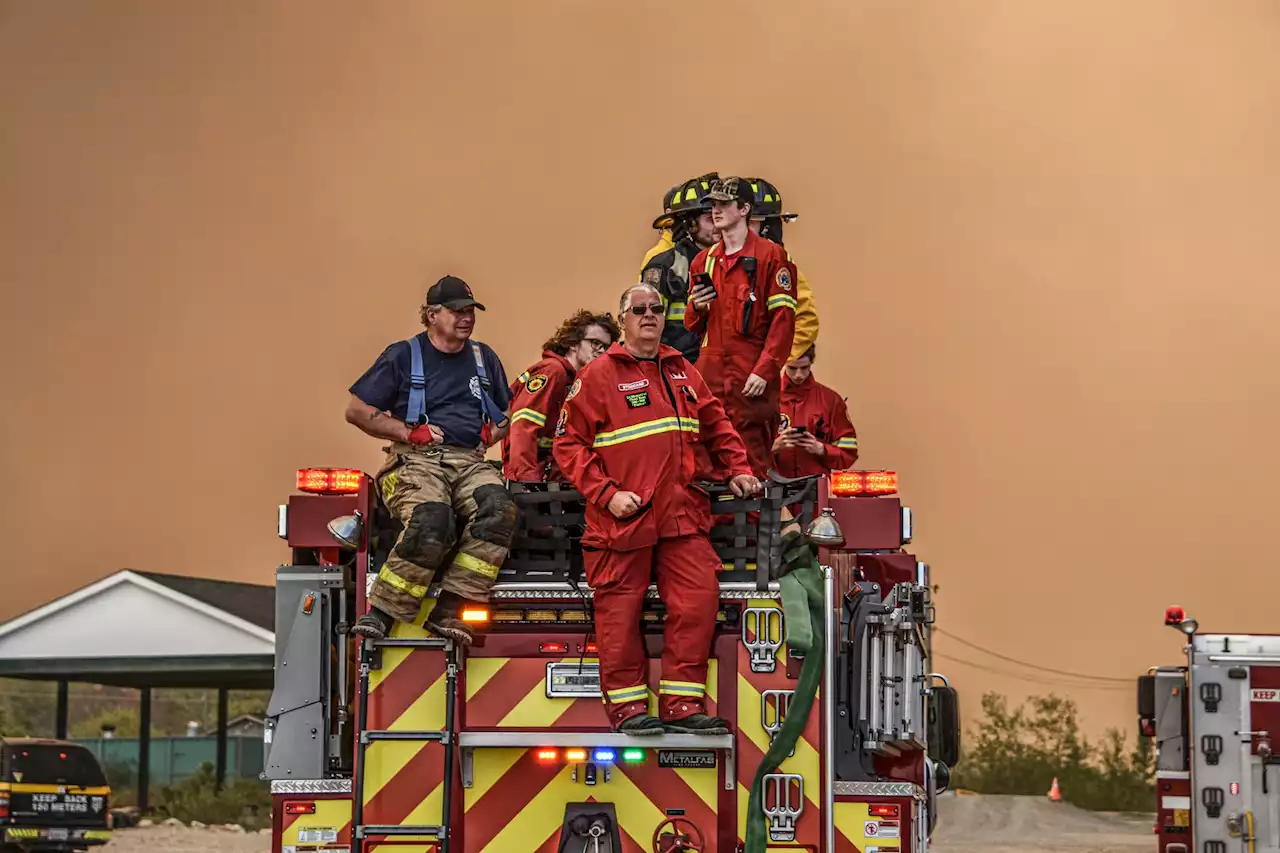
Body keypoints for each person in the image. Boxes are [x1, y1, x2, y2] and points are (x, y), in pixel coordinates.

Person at [552, 282, 761, 735]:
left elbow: (718, 425)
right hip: (622, 518)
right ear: (623, 318)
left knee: (698, 601)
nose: (649, 315)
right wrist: (608, 494)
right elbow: (567, 445)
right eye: (638, 309)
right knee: (618, 616)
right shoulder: (599, 375)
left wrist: (738, 468)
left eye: (656, 308)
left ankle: (681, 705)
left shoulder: (681, 368)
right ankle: (627, 710)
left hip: (682, 514)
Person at [344, 275, 518, 645]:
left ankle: (452, 609)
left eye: (470, 311)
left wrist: (494, 432)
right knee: (431, 517)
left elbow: (507, 414)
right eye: (457, 311)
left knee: (498, 510)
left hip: (469, 461)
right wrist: (409, 432)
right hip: (416, 461)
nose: (466, 318)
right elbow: (357, 410)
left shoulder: (483, 357)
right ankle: (382, 614)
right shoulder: (404, 355)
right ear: (431, 315)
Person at [684, 176, 798, 478]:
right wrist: (697, 305)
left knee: (751, 459)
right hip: (711, 371)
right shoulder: (702, 261)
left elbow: (783, 323)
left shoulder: (770, 256)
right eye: (713, 205)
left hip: (749, 371)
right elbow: (692, 324)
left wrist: (765, 369)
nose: (716, 211)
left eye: (724, 204)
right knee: (708, 455)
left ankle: (752, 524)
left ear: (745, 209)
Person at [502, 310, 620, 482]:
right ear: (573, 343)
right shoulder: (553, 372)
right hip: (529, 478)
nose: (600, 351)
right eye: (594, 343)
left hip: (549, 479)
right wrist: (527, 483)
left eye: (605, 347)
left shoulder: (579, 383)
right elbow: (523, 426)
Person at [639, 173, 720, 363]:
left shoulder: (729, 261)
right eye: (710, 219)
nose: (718, 225)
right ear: (690, 224)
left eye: (719, 216)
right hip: (676, 367)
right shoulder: (664, 266)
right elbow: (646, 327)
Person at [746, 177, 819, 365]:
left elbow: (806, 320)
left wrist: (768, 365)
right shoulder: (718, 257)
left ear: (766, 226)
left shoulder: (779, 262)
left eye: (749, 222)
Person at [773, 345, 859, 478]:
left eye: (804, 368)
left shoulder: (831, 400)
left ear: (811, 363)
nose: (799, 375)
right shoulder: (767, 397)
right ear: (784, 364)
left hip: (816, 487)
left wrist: (822, 449)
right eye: (792, 368)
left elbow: (849, 452)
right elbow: (744, 452)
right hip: (774, 486)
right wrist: (774, 447)